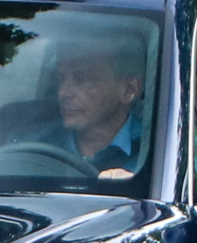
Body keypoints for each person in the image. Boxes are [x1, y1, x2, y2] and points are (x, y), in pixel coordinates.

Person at [45, 31, 149, 177]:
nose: (63, 93)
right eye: (60, 79)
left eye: (82, 79)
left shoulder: (159, 153)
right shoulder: (29, 145)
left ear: (129, 89)